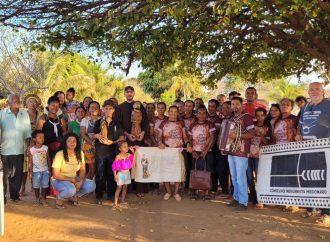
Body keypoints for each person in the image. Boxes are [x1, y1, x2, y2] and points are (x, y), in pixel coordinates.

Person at [296, 82, 330, 225]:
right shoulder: (305, 107)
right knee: (310, 179)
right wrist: (298, 134)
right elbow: (300, 125)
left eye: (317, 89)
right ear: (308, 92)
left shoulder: (328, 104)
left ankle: (326, 213)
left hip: (325, 150)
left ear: (323, 91)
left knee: (325, 181)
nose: (314, 92)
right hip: (308, 150)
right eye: (311, 89)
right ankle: (310, 208)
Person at [117, 86, 149, 197]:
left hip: (139, 140)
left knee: (140, 163)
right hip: (127, 140)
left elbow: (145, 122)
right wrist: (127, 134)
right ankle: (128, 188)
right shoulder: (120, 107)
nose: (129, 94)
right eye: (127, 92)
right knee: (127, 164)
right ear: (124, 94)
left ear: (134, 93)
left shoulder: (140, 106)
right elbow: (119, 124)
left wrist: (143, 133)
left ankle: (140, 188)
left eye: (131, 92)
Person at [0, 94, 32, 203]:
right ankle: (3, 197)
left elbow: (28, 133)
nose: (16, 101)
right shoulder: (2, 114)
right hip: (5, 150)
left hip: (19, 150)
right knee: (5, 175)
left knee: (18, 175)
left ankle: (14, 196)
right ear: (8, 102)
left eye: (18, 99)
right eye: (13, 99)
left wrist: (28, 148)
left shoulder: (24, 114)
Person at [51, 133, 96, 208]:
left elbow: (82, 169)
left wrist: (81, 181)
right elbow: (56, 175)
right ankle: (59, 197)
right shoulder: (59, 154)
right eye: (69, 141)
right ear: (65, 142)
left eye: (74, 141)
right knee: (70, 190)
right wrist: (71, 179)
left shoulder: (80, 153)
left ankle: (72, 196)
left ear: (77, 143)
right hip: (58, 180)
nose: (72, 143)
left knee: (91, 185)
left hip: (74, 179)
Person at [226, 97, 254, 211]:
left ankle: (243, 202)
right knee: (234, 177)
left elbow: (251, 134)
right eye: (233, 104)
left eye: (237, 104)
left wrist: (237, 136)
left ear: (242, 105)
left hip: (242, 151)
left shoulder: (247, 117)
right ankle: (236, 198)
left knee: (240, 177)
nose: (235, 106)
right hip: (231, 151)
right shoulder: (231, 118)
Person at [94, 100, 124, 205]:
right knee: (100, 173)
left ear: (113, 110)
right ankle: (99, 195)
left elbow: (122, 137)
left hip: (112, 151)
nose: (108, 110)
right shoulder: (98, 122)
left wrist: (113, 141)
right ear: (103, 109)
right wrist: (97, 135)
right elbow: (93, 134)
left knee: (111, 173)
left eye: (110, 108)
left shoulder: (117, 123)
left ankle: (111, 194)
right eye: (106, 108)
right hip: (100, 151)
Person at [158, 106, 188, 201]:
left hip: (178, 151)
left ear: (178, 113)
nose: (173, 113)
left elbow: (185, 137)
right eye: (171, 111)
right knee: (166, 171)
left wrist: (188, 144)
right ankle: (168, 192)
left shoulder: (181, 123)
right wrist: (160, 143)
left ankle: (176, 192)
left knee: (177, 172)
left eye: (175, 112)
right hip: (166, 150)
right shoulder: (163, 123)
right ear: (168, 112)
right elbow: (159, 136)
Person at [187, 105, 216, 200]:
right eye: (199, 113)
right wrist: (192, 151)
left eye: (204, 113)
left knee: (207, 170)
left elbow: (213, 138)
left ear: (207, 114)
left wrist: (206, 150)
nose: (202, 115)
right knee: (195, 170)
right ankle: (194, 191)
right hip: (195, 152)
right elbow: (190, 139)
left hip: (208, 152)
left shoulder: (210, 124)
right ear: (196, 114)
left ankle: (206, 191)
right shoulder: (192, 125)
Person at [20, 94, 42, 196]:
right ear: (26, 104)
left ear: (37, 104)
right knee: (25, 165)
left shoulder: (41, 114)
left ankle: (34, 185)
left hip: (37, 142)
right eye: (30, 102)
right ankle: (23, 186)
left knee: (35, 164)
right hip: (24, 142)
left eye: (34, 102)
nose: (32, 104)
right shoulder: (22, 114)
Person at [247, 107, 268, 208]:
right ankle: (253, 197)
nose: (260, 117)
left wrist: (261, 135)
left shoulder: (267, 127)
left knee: (259, 178)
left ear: (265, 115)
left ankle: (261, 199)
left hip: (260, 156)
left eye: (262, 115)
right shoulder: (251, 126)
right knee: (249, 177)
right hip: (249, 154)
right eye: (258, 115)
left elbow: (268, 142)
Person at [37, 96, 67, 163]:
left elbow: (64, 133)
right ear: (48, 105)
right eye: (53, 105)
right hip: (46, 148)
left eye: (57, 106)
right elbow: (38, 135)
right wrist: (40, 148)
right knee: (48, 168)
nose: (55, 107)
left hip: (60, 148)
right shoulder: (42, 118)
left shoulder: (61, 119)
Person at [28, 130, 50, 206]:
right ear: (34, 139)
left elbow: (48, 159)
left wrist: (49, 170)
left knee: (44, 186)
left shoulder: (45, 148)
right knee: (36, 186)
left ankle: (43, 199)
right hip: (36, 171)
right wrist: (30, 172)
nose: (42, 139)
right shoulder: (31, 149)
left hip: (45, 170)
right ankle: (37, 199)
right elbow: (30, 161)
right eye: (40, 137)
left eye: (43, 137)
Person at [215, 101, 232, 197]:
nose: (224, 110)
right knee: (220, 169)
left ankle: (233, 193)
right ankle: (225, 191)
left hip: (232, 150)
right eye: (223, 108)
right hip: (221, 149)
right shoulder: (224, 120)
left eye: (227, 108)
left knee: (232, 173)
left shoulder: (235, 120)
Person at [80, 101, 101, 179]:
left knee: (98, 168)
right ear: (88, 109)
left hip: (100, 146)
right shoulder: (85, 120)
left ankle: (93, 186)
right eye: (92, 107)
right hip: (88, 146)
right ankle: (86, 187)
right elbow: (83, 134)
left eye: (96, 108)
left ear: (99, 109)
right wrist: (92, 143)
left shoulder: (102, 119)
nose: (94, 109)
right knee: (92, 169)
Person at [112, 141, 135, 209]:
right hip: (120, 174)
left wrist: (133, 152)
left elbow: (133, 160)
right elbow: (114, 167)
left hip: (127, 174)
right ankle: (115, 203)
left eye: (127, 146)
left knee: (125, 187)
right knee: (119, 188)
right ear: (120, 149)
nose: (126, 147)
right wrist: (115, 176)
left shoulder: (128, 155)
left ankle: (122, 200)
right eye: (124, 146)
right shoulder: (118, 156)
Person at [207, 99, 222, 193]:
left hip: (215, 147)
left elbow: (219, 134)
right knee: (206, 168)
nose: (210, 108)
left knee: (213, 168)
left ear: (216, 108)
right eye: (209, 106)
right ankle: (205, 186)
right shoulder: (203, 117)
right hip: (203, 147)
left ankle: (214, 189)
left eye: (212, 106)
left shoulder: (220, 120)